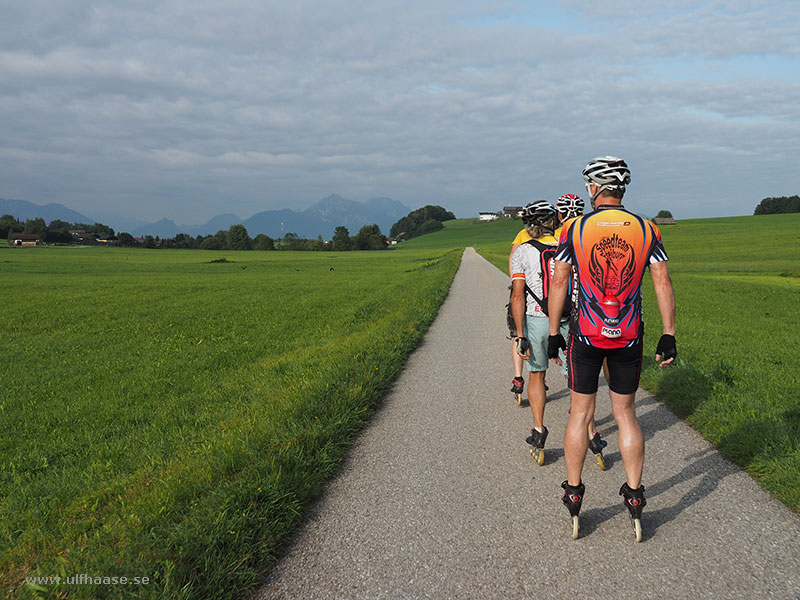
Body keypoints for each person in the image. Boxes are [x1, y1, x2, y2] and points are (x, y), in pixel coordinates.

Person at [547, 156, 677, 541]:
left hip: (586, 335)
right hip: (629, 335)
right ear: (622, 189)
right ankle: (635, 496)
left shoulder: (574, 228)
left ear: (593, 188)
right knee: (626, 414)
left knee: (580, 413)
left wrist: (554, 331)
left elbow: (559, 282)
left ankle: (573, 492)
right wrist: (668, 333)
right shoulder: (646, 228)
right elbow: (662, 281)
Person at [510, 201, 569, 465]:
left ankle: (538, 429)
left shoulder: (521, 252)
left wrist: (520, 333)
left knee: (537, 374)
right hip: (569, 318)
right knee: (577, 379)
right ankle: (589, 430)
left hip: (537, 319)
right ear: (553, 221)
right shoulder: (569, 246)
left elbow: (518, 295)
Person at [553, 194, 609, 469]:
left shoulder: (564, 232)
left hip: (572, 315)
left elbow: (557, 279)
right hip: (604, 317)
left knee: (580, 390)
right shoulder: (592, 227)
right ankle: (593, 432)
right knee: (597, 388)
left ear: (560, 213)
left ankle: (585, 434)